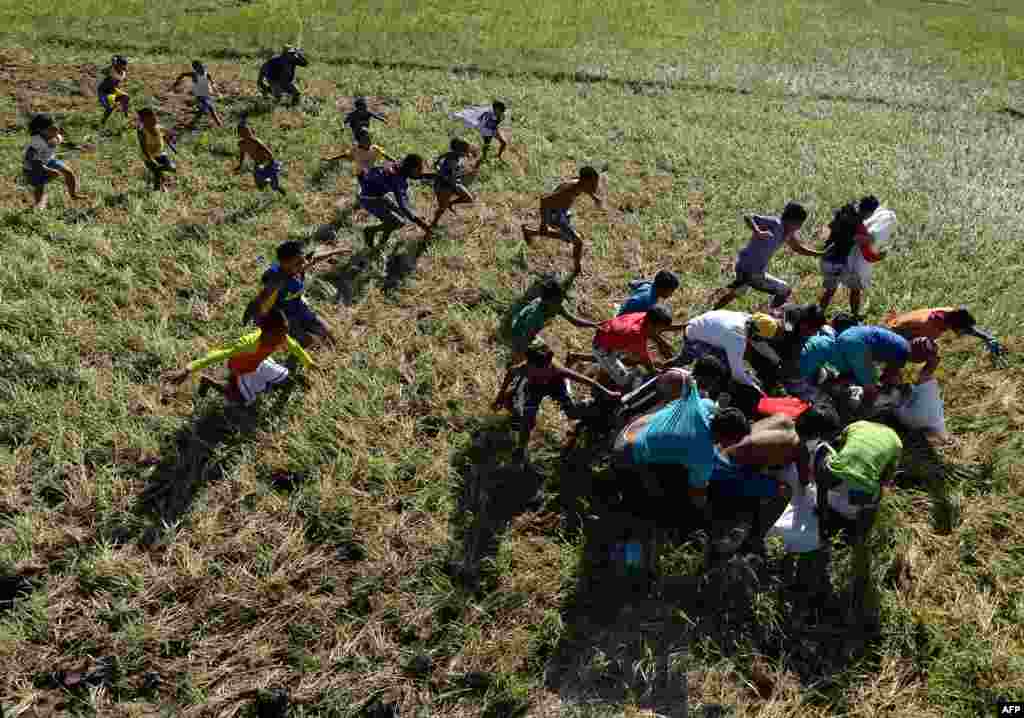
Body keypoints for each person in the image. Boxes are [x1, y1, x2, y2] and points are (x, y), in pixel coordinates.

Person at [493, 344, 620, 466]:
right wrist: (499, 396)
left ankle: (592, 405)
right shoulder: (525, 368)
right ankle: (520, 448)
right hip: (535, 388)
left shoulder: (556, 369)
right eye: (538, 369)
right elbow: (510, 374)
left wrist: (608, 392)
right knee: (528, 419)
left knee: (573, 412)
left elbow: (586, 380)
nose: (543, 371)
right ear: (531, 365)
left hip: (556, 385)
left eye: (545, 368)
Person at [164, 309, 315, 405]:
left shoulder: (280, 336)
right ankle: (210, 382)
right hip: (242, 369)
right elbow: (215, 356)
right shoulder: (247, 344)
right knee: (242, 399)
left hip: (259, 362)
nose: (284, 338)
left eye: (286, 332)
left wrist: (309, 363)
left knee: (286, 379)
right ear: (266, 332)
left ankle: (258, 382)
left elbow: (294, 346)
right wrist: (187, 369)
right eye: (281, 334)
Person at [710, 203, 821, 311]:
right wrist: (758, 231)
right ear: (792, 221)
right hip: (752, 271)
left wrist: (820, 254)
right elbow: (749, 217)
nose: (798, 228)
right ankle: (769, 316)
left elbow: (798, 248)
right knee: (785, 290)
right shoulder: (775, 224)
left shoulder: (787, 234)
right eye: (799, 224)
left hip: (749, 268)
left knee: (738, 291)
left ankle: (712, 310)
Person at [801, 325, 940, 411]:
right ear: (919, 357)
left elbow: (888, 373)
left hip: (848, 335)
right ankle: (863, 412)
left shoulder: (901, 343)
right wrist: (886, 387)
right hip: (857, 346)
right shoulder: (904, 353)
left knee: (854, 372)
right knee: (870, 389)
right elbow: (887, 376)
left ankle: (830, 385)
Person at [244, 240, 347, 348]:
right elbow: (260, 299)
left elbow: (314, 258)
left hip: (300, 309)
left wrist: (335, 252)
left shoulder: (297, 267)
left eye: (303, 260)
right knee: (310, 344)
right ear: (284, 264)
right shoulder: (277, 281)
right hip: (287, 318)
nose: (305, 264)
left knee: (329, 334)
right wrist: (253, 318)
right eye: (298, 262)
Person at [674, 310, 780, 397]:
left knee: (685, 358)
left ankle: (670, 366)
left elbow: (758, 344)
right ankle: (708, 392)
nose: (759, 340)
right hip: (696, 340)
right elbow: (737, 373)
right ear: (755, 333)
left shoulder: (745, 317)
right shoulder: (737, 337)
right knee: (721, 368)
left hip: (696, 328)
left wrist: (775, 358)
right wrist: (755, 387)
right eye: (760, 338)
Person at [521, 167, 603, 265]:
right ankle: (577, 269)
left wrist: (594, 197)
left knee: (568, 237)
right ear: (586, 182)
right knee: (578, 242)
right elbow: (544, 200)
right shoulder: (569, 190)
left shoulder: (580, 183)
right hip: (554, 214)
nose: (596, 186)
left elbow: (585, 189)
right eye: (594, 184)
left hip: (562, 211)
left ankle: (530, 232)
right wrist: (543, 224)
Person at [818, 196, 881, 319]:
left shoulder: (846, 212)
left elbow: (831, 227)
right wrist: (873, 239)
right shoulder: (855, 222)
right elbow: (862, 240)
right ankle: (854, 316)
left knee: (832, 290)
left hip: (827, 258)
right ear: (869, 212)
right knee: (854, 287)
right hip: (835, 262)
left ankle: (819, 314)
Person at [358, 154, 433, 248]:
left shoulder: (399, 166)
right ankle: (370, 231)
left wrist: (433, 176)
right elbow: (404, 206)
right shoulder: (398, 180)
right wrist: (425, 227)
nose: (420, 172)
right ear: (410, 169)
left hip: (375, 194)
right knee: (398, 222)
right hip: (369, 199)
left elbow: (415, 176)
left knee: (398, 218)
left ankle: (382, 242)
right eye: (418, 170)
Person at [591, 305, 674, 390]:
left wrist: (661, 342)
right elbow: (644, 359)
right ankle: (599, 386)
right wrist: (654, 372)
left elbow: (650, 335)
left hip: (612, 336)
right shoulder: (636, 334)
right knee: (624, 380)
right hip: (602, 347)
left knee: (631, 359)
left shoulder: (645, 316)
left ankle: (603, 368)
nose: (660, 332)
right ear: (651, 325)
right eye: (660, 329)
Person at [885, 306, 1005, 357]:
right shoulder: (928, 327)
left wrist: (987, 337)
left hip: (903, 325)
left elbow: (967, 327)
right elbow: (903, 342)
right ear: (954, 326)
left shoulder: (950, 313)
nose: (965, 333)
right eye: (962, 331)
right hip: (894, 331)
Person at [22, 114, 86, 210]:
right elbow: (31, 159)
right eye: (50, 128)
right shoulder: (37, 142)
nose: (55, 129)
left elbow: (62, 142)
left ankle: (73, 195)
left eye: (55, 126)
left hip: (48, 160)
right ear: (41, 130)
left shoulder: (55, 136)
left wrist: (76, 147)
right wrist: (46, 170)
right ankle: (38, 204)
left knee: (68, 172)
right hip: (33, 166)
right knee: (40, 185)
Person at [429, 138, 474, 229]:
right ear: (459, 150)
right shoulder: (451, 160)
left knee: (469, 198)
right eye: (466, 150)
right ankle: (433, 225)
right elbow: (446, 175)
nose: (467, 152)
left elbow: (442, 159)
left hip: (452, 183)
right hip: (444, 185)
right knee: (442, 208)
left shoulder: (456, 155)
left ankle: (450, 203)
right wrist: (463, 174)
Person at [236, 117, 284, 195]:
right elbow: (242, 154)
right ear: (240, 134)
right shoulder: (241, 144)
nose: (247, 134)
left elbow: (267, 150)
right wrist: (240, 165)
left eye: (248, 131)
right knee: (259, 183)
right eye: (244, 132)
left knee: (274, 184)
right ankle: (266, 187)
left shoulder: (255, 141)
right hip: (258, 163)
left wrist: (271, 160)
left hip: (267, 161)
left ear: (250, 132)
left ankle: (279, 189)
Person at [170, 60, 224, 129]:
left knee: (203, 110)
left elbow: (212, 83)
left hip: (207, 94)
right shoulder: (194, 74)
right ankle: (219, 124)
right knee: (210, 107)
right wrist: (176, 83)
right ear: (195, 69)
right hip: (200, 95)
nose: (201, 69)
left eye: (201, 67)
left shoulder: (206, 73)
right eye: (197, 68)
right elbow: (182, 74)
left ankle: (191, 124)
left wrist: (217, 91)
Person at [322, 129, 395, 176]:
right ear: (359, 141)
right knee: (366, 173)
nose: (368, 142)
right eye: (365, 140)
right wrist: (330, 159)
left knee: (386, 167)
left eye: (369, 139)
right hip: (361, 174)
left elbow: (386, 156)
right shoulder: (355, 150)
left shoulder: (374, 148)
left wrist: (394, 161)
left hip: (372, 171)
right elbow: (344, 155)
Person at [136, 108, 177, 192]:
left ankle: (157, 177)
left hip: (161, 154)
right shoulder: (142, 131)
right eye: (152, 119)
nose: (155, 120)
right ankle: (157, 190)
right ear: (144, 120)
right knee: (157, 174)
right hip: (148, 156)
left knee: (172, 168)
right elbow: (143, 148)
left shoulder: (158, 127)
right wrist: (151, 160)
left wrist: (172, 145)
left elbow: (166, 136)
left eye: (155, 118)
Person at [97, 55, 130, 126]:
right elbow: (103, 71)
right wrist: (111, 64)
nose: (124, 67)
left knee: (126, 97)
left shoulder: (123, 72)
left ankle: (126, 116)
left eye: (125, 65)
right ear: (118, 65)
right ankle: (102, 123)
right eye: (122, 65)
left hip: (112, 90)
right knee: (110, 107)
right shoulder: (111, 70)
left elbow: (118, 80)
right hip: (103, 92)